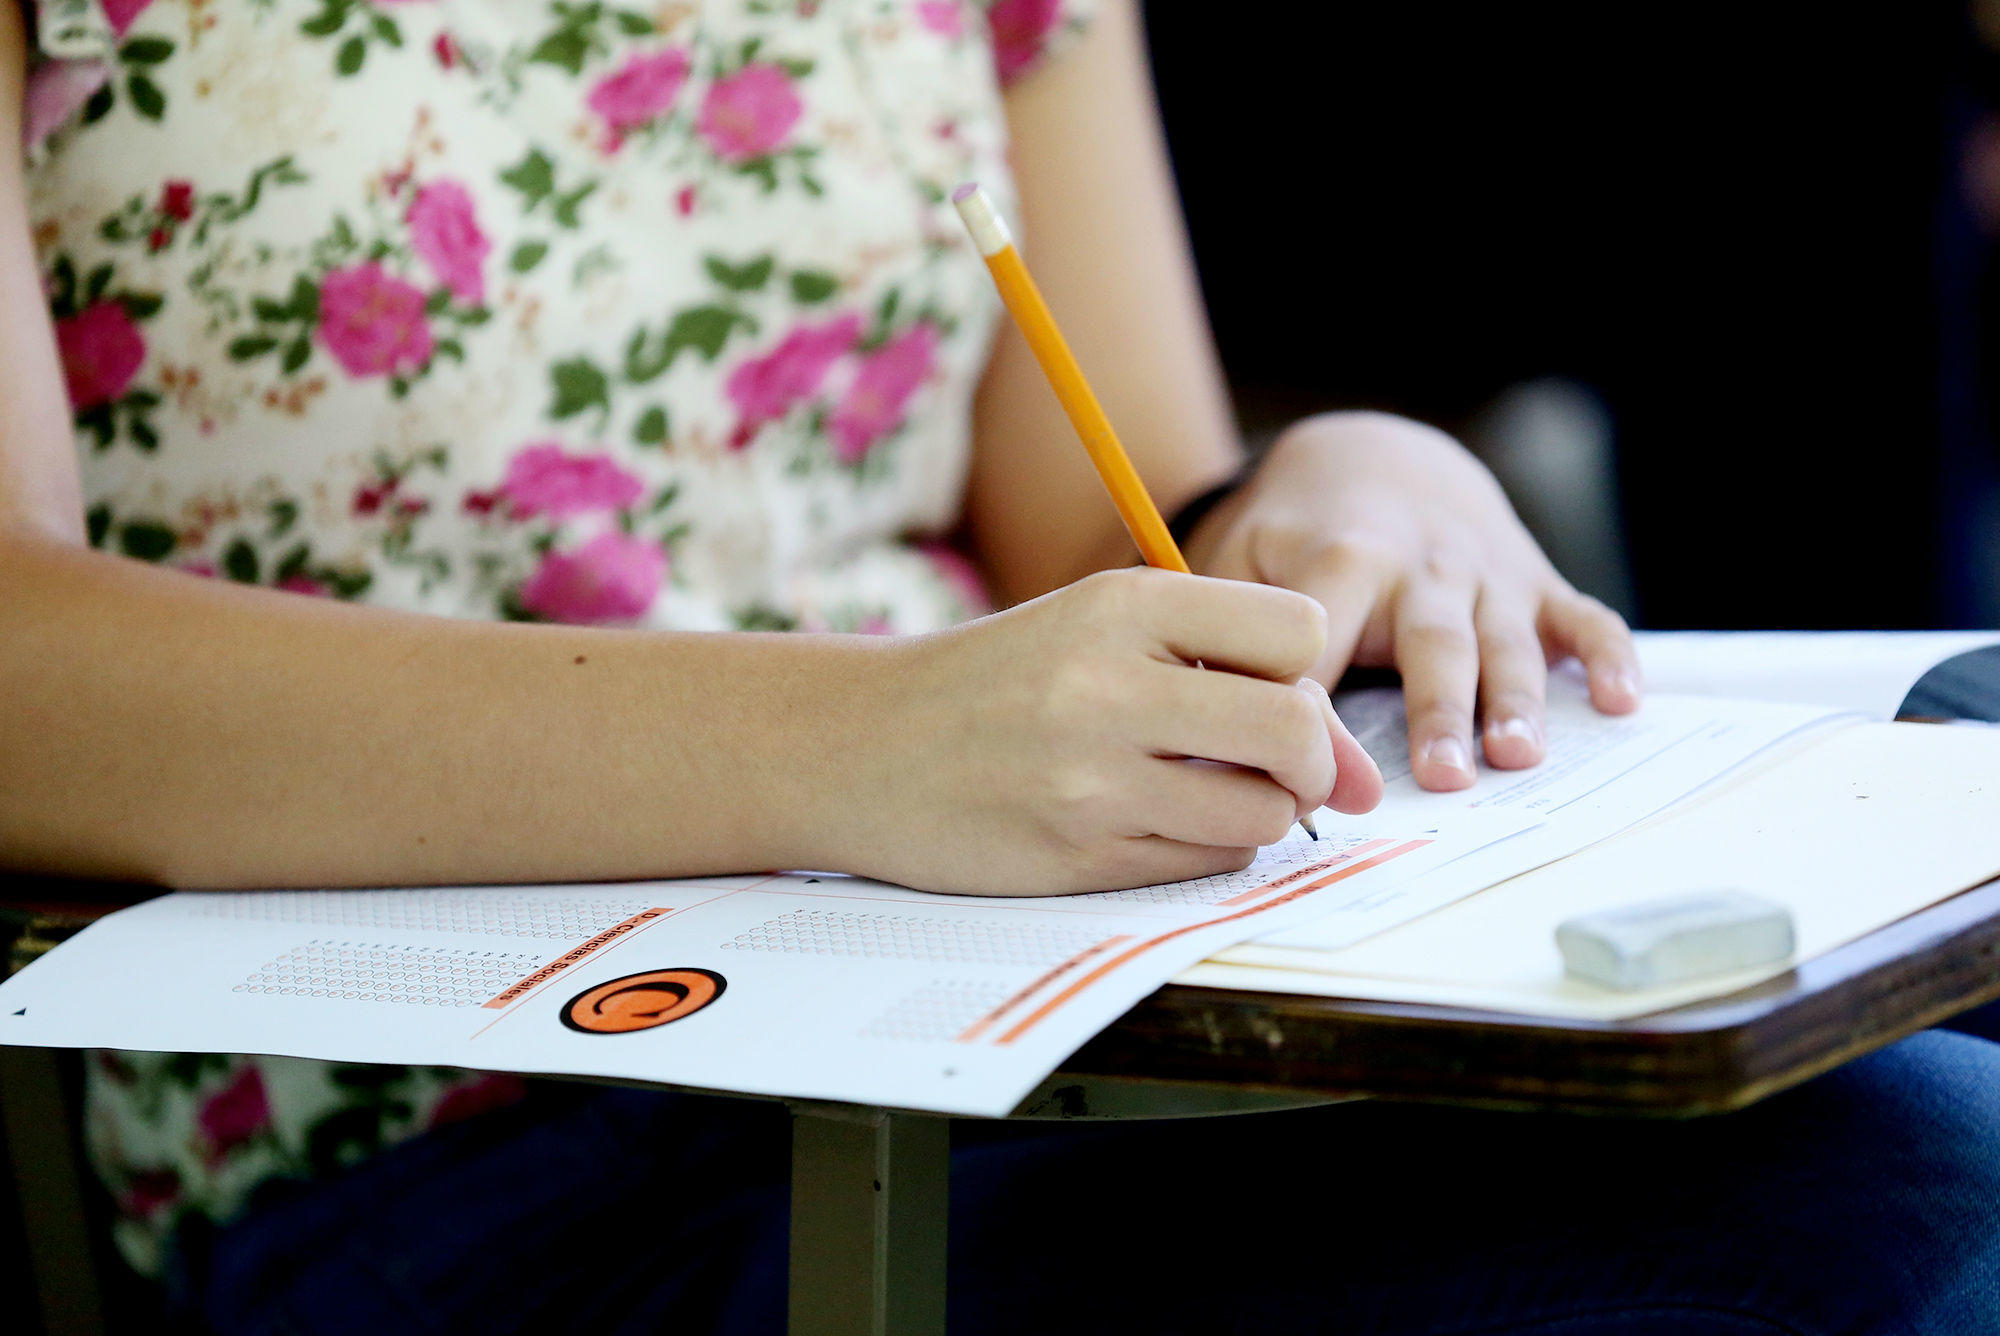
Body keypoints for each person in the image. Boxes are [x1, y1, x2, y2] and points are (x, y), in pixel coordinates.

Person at [3, 1, 1997, 1331]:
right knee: (1902, 1200)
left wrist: (1334, 491)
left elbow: (1110, 515)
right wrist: (859, 737)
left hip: (1056, 1008)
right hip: (455, 1127)